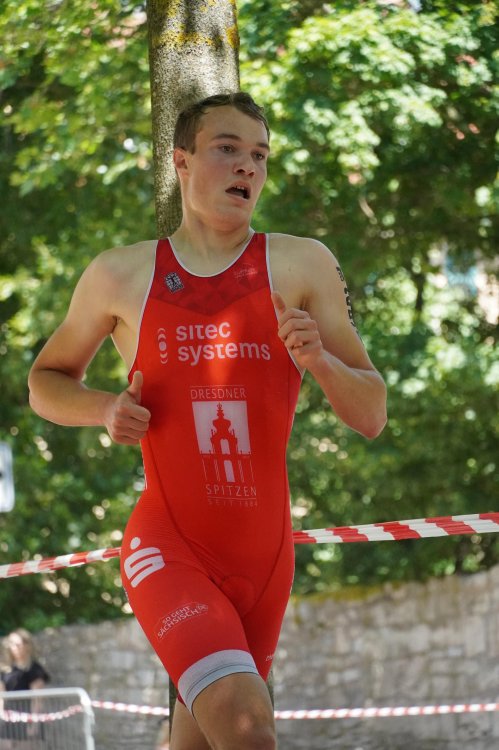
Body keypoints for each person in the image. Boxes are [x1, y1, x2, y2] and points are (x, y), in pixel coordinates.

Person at [28, 91, 387, 750]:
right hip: (169, 545)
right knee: (247, 727)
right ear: (181, 162)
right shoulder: (120, 274)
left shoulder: (302, 264)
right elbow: (44, 382)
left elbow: (371, 414)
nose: (247, 166)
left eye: (260, 155)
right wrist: (104, 408)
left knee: (204, 740)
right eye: (227, 149)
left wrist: (320, 363)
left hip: (266, 558)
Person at [0, 629, 50, 748]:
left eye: (18, 644)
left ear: (27, 645)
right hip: (8, 719)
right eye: (11, 644)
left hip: (27, 718)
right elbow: (1, 696)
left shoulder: (35, 670)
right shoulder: (5, 670)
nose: (14, 648)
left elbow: (37, 699)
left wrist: (33, 723)